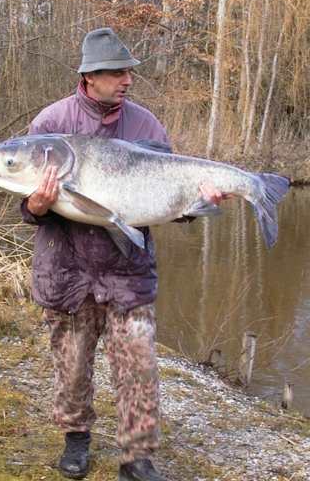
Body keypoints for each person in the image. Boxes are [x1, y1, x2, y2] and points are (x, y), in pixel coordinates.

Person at [21, 28, 224, 481]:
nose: (128, 79)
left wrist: (197, 203)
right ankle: (76, 439)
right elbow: (28, 206)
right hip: (66, 271)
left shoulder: (146, 125)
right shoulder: (50, 125)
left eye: (129, 71)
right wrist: (34, 205)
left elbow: (165, 204)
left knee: (140, 367)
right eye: (117, 72)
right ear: (90, 76)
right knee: (72, 366)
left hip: (127, 273)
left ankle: (137, 457)